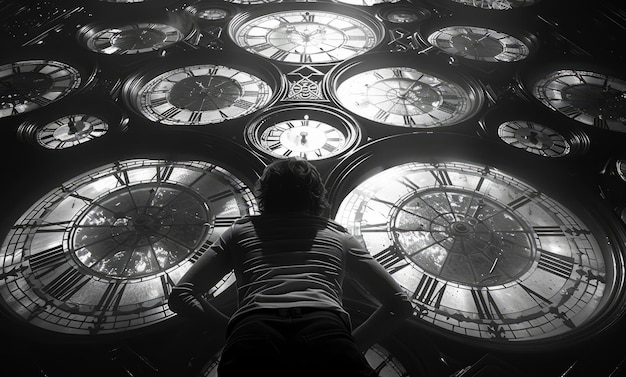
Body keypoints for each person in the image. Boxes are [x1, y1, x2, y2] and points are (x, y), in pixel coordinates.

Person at [168, 157, 413, 377]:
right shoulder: (339, 236)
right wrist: (351, 344)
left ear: (265, 193)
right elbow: (398, 305)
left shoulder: (239, 232)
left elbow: (182, 295)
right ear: (316, 195)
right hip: (326, 328)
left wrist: (234, 333)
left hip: (253, 331)